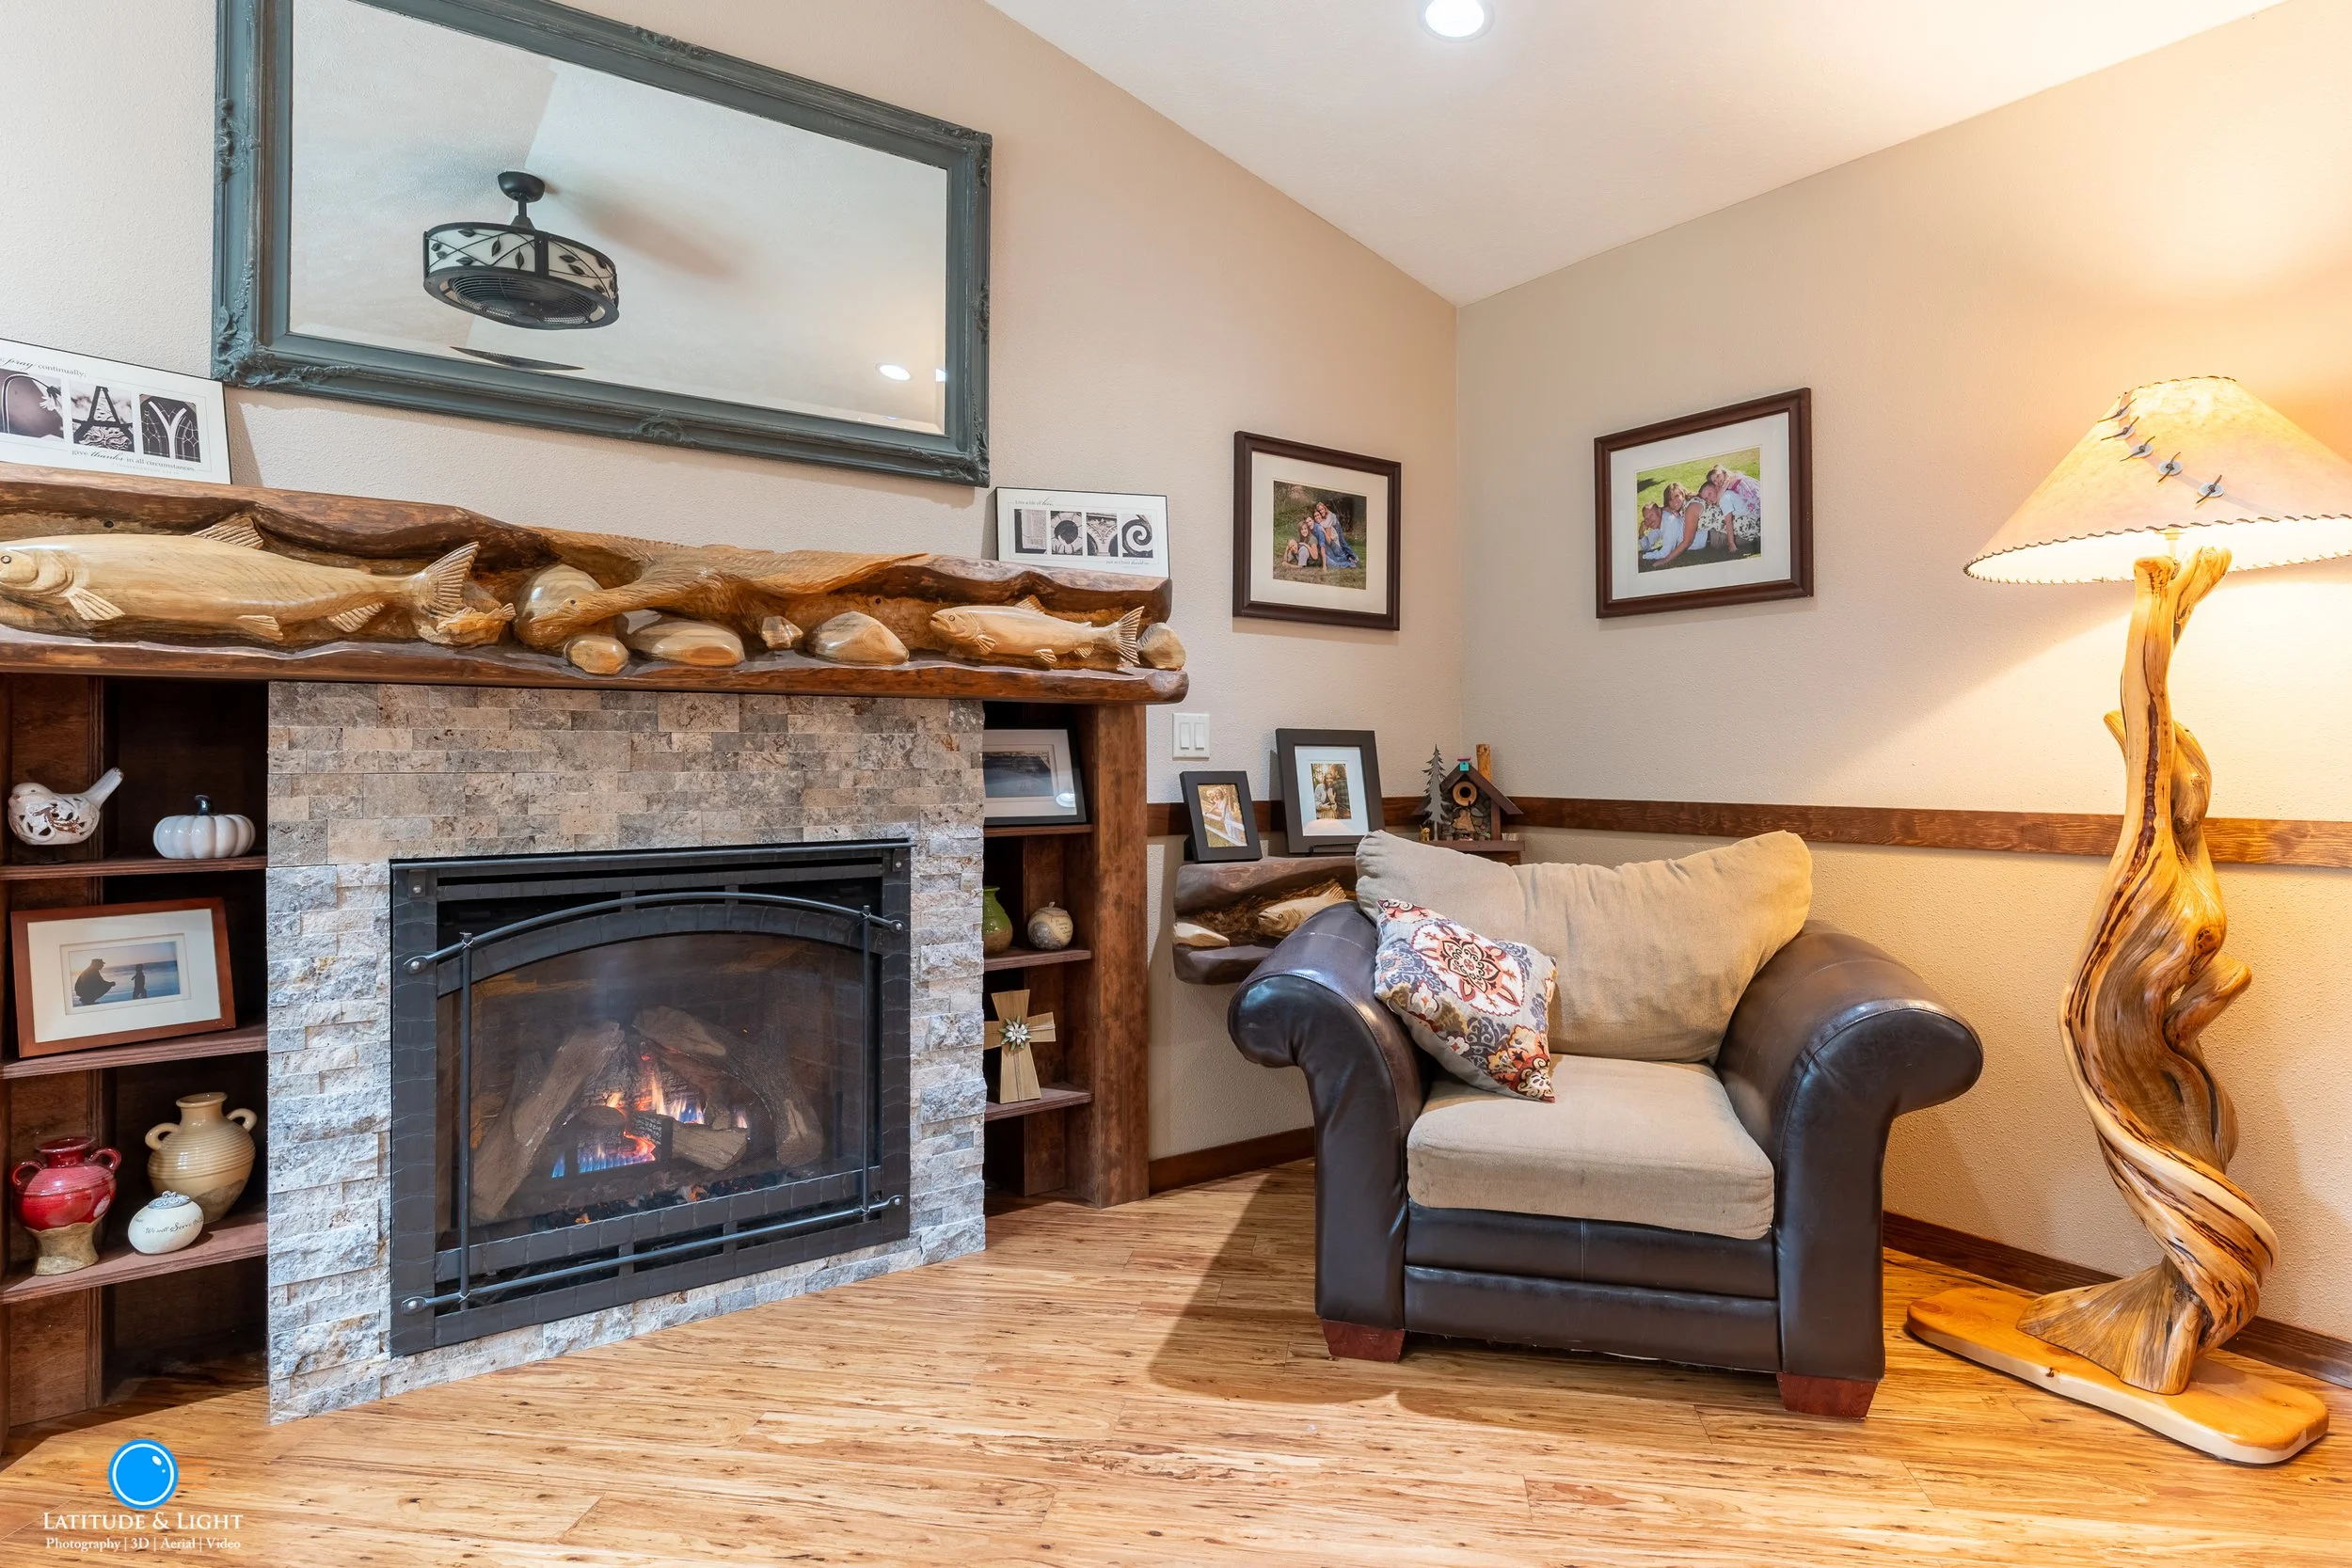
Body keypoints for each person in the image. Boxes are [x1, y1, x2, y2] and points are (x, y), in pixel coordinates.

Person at [1311, 500, 1359, 568]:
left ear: (1325, 508)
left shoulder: (1329, 517)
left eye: (1322, 509)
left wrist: (1324, 531)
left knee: (1343, 542)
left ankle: (1354, 557)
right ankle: (1349, 558)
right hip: (1332, 534)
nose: (1321, 511)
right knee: (1340, 547)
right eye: (1320, 510)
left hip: (1336, 525)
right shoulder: (1323, 519)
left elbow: (1329, 533)